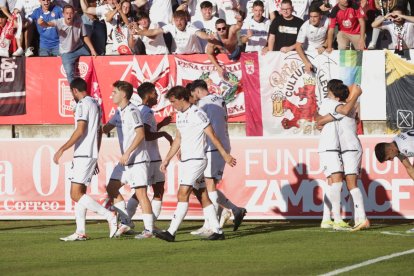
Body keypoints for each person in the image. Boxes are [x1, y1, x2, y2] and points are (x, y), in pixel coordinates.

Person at [154, 85, 236, 242]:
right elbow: (178, 139)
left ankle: (171, 232)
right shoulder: (180, 115)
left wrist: (225, 154)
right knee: (202, 194)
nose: (172, 105)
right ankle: (218, 231)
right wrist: (167, 159)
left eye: (173, 101)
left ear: (182, 99)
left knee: (182, 193)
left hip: (197, 160)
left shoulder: (198, 114)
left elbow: (212, 135)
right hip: (187, 161)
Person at [54, 78, 118, 241]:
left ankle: (109, 215)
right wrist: (95, 154)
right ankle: (80, 231)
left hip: (83, 153)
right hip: (88, 154)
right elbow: (99, 132)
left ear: (75, 91)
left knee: (75, 194)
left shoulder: (83, 104)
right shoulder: (96, 104)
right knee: (79, 193)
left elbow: (80, 129)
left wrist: (62, 148)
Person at [188, 79, 246, 236]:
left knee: (208, 185)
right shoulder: (219, 99)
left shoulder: (202, 105)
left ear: (197, 91)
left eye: (193, 95)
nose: (193, 99)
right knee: (204, 185)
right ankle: (230, 211)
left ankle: (211, 223)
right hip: (220, 144)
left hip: (214, 146)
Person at [316, 81, 369, 231]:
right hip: (333, 148)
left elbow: (320, 121)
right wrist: (356, 94)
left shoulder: (344, 106)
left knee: (338, 183)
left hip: (345, 148)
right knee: (337, 183)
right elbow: (320, 120)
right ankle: (337, 218)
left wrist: (320, 120)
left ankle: (340, 218)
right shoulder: (332, 103)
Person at [106, 80, 155, 239]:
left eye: (114, 92)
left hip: (138, 159)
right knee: (111, 188)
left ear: (124, 94)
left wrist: (127, 153)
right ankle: (127, 220)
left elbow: (141, 134)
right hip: (126, 162)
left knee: (141, 194)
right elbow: (105, 128)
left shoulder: (133, 110)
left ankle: (149, 230)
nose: (111, 95)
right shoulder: (118, 112)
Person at [124, 82, 173, 234]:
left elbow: (149, 131)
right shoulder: (145, 112)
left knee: (141, 192)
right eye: (155, 93)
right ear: (148, 94)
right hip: (151, 158)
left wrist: (161, 125)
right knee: (152, 191)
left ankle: (127, 221)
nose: (157, 96)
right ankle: (148, 225)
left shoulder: (144, 111)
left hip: (149, 157)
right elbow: (146, 135)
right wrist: (164, 134)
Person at [38, 5, 97, 84]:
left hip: (79, 48)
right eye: (67, 13)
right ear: (63, 14)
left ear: (74, 14)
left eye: (71, 13)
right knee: (69, 73)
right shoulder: (59, 22)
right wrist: (42, 23)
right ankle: (75, 93)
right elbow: (49, 24)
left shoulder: (79, 21)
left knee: (94, 58)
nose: (69, 15)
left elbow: (85, 36)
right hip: (66, 53)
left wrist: (92, 50)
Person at [375, 131, 414, 233]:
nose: (392, 160)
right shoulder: (397, 145)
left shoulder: (407, 147)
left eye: (389, 158)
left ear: (390, 149)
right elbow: (409, 167)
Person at [136, 10, 213, 54]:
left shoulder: (190, 27)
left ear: (185, 20)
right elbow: (153, 32)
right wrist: (138, 31)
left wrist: (208, 36)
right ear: (174, 20)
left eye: (181, 20)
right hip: (178, 56)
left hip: (194, 55)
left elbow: (200, 33)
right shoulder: (171, 26)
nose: (179, 23)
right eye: (176, 20)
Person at [295, 5, 329, 73]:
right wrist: (306, 63)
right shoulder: (305, 26)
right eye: (311, 17)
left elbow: (331, 36)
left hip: (323, 50)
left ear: (321, 16)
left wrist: (324, 46)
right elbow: (298, 46)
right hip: (309, 52)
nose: (313, 19)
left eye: (315, 16)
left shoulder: (327, 21)